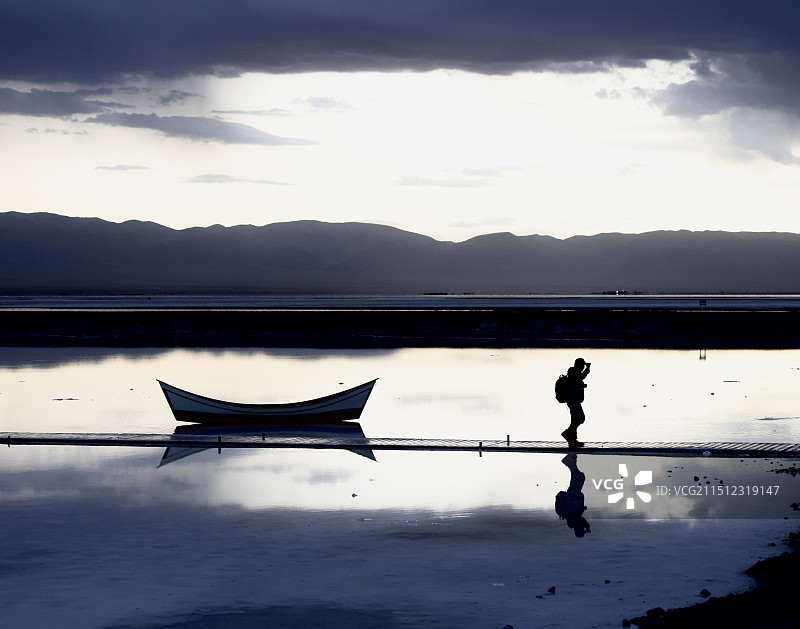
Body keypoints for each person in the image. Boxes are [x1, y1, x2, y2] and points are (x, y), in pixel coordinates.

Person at [561, 357, 590, 447]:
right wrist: (587, 369)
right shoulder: (573, 372)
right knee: (579, 418)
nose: (582, 367)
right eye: (582, 365)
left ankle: (572, 439)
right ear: (578, 365)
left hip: (575, 400)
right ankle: (569, 435)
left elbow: (579, 379)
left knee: (577, 419)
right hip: (572, 400)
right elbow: (581, 377)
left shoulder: (574, 373)